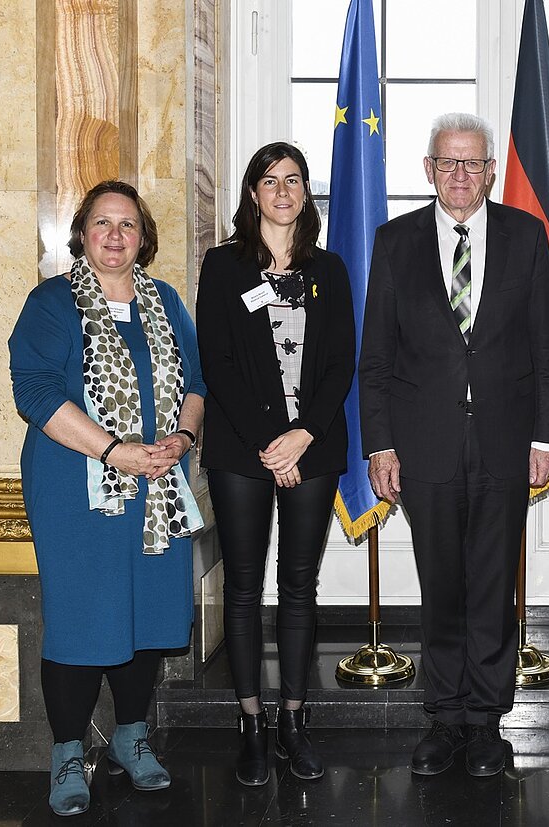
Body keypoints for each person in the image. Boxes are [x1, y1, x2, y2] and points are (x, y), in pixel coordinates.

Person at [358, 112, 549, 778]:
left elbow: (545, 347)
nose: (460, 174)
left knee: (493, 587)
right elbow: (376, 355)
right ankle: (445, 718)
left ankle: (485, 724)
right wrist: (380, 445)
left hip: (506, 442)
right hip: (424, 446)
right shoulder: (395, 241)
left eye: (472, 163)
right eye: (448, 162)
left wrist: (545, 436)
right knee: (441, 585)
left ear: (491, 171)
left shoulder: (525, 236)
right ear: (429, 169)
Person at [9, 180, 205, 817]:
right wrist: (114, 450)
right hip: (76, 488)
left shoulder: (165, 300)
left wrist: (182, 437)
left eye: (127, 224)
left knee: (145, 613)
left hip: (157, 488)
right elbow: (36, 392)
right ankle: (68, 752)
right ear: (82, 234)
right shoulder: (53, 302)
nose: (115, 236)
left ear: (143, 236)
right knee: (81, 616)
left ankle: (130, 735)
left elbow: (197, 383)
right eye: (102, 223)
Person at [196, 142, 355, 786]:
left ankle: (293, 719)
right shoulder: (223, 265)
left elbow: (341, 360)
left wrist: (302, 436)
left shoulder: (329, 269)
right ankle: (251, 724)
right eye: (270, 180)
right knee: (242, 588)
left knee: (297, 588)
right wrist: (272, 442)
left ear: (306, 192)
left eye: (294, 179)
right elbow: (217, 363)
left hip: (313, 446)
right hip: (242, 448)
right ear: (252, 193)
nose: (283, 190)